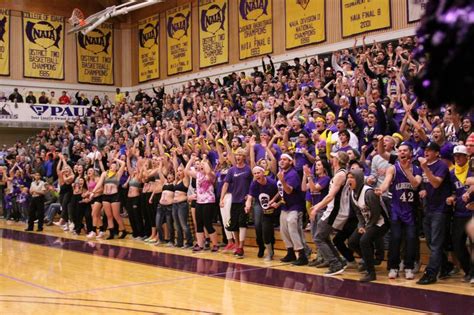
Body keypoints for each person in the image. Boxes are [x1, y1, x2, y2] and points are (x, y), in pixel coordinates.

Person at [376, 143, 422, 280]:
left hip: (411, 210)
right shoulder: (393, 168)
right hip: (396, 209)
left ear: (410, 153)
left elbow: (415, 184)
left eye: (405, 150)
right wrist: (381, 189)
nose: (402, 153)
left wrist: (407, 171)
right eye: (400, 151)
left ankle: (408, 267)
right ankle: (393, 267)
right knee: (395, 238)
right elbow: (386, 182)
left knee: (411, 239)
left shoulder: (417, 169)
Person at [417, 142, 452, 285]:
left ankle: (430, 274)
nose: (427, 152)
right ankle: (446, 265)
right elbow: (428, 184)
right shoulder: (427, 166)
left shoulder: (441, 165)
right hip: (429, 208)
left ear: (437, 153)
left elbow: (436, 183)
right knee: (431, 242)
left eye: (430, 150)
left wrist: (424, 168)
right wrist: (424, 189)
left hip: (441, 209)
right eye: (426, 149)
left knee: (436, 244)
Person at [311, 151, 351, 276]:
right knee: (323, 237)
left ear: (337, 161)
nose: (331, 159)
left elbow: (330, 196)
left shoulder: (340, 175)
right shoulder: (340, 173)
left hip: (335, 210)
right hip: (335, 209)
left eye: (333, 157)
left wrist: (317, 207)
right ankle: (339, 262)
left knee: (318, 238)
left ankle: (335, 264)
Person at [347, 169, 389, 282]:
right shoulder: (352, 193)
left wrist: (366, 227)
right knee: (352, 242)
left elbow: (376, 214)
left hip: (381, 222)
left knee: (364, 241)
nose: (349, 180)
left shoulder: (369, 193)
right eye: (348, 177)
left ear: (359, 179)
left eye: (352, 177)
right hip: (367, 222)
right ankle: (369, 260)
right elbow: (358, 212)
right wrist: (361, 225)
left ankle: (371, 273)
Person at [220, 148, 252, 258]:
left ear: (243, 157)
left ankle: (241, 247)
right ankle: (237, 245)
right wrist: (222, 198)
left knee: (242, 223)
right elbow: (226, 184)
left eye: (240, 155)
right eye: (236, 155)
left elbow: (252, 184)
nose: (237, 157)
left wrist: (250, 196)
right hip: (234, 200)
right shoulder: (232, 170)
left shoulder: (248, 169)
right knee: (234, 225)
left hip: (244, 200)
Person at [276, 154, 308, 265]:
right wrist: (275, 201)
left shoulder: (293, 174)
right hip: (285, 205)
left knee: (293, 229)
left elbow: (289, 190)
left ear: (290, 162)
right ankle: (290, 252)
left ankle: (302, 254)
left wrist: (282, 181)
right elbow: (281, 191)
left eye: (285, 159)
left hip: (295, 206)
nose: (282, 161)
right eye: (281, 159)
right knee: (283, 230)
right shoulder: (282, 173)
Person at [447, 145, 472, 282]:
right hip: (459, 214)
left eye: (460, 155)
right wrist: (452, 197)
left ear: (466, 157)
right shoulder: (452, 173)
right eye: (455, 156)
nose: (457, 158)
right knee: (457, 244)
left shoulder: (472, 170)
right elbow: (453, 192)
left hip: (472, 213)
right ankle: (468, 270)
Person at [186, 155, 219, 252]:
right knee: (199, 224)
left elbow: (208, 171)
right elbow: (186, 171)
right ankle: (200, 245)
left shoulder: (211, 175)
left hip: (208, 201)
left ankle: (215, 244)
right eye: (200, 165)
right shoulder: (198, 175)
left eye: (202, 165)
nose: (200, 166)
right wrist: (191, 159)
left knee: (208, 224)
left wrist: (204, 162)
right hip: (199, 202)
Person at [246, 166, 279, 261]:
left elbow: (279, 193)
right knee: (257, 225)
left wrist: (273, 201)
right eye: (255, 173)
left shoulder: (272, 183)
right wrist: (247, 205)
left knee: (267, 227)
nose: (256, 175)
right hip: (259, 203)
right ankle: (261, 246)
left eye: (258, 173)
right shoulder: (254, 184)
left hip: (271, 204)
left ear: (263, 173)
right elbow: (250, 197)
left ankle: (270, 249)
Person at [92, 156, 128, 239]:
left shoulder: (118, 174)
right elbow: (99, 183)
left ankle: (123, 230)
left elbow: (123, 163)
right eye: (112, 166)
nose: (113, 167)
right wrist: (93, 191)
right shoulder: (105, 173)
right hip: (105, 196)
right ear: (110, 166)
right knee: (109, 216)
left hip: (114, 195)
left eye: (115, 166)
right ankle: (111, 233)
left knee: (116, 215)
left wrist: (115, 159)